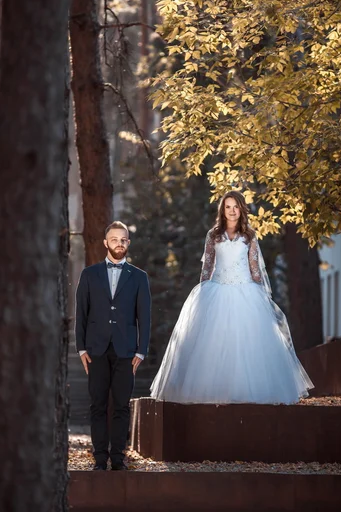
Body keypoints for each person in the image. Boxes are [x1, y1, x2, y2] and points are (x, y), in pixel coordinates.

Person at [150, 191, 313, 405]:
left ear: (241, 209)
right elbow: (207, 266)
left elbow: (255, 268)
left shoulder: (249, 236)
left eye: (235, 206)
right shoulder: (213, 235)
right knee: (214, 342)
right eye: (228, 207)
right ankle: (214, 392)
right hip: (217, 290)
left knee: (248, 342)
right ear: (222, 210)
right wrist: (201, 294)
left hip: (246, 291)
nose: (232, 211)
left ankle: (249, 392)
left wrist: (262, 294)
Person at [75, 221, 151, 470]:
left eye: (123, 239)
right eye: (114, 239)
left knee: (121, 406)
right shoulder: (89, 274)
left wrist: (141, 349)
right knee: (97, 405)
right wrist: (81, 348)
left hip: (126, 350)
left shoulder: (139, 277)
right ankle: (99, 459)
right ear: (105, 243)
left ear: (128, 243)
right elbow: (82, 314)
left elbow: (145, 316)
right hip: (95, 349)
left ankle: (118, 459)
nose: (119, 243)